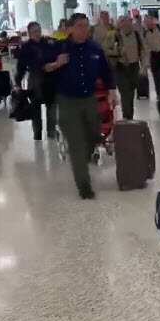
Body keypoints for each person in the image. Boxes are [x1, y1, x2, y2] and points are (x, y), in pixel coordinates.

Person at [44, 13, 117, 199]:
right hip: (68, 102)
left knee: (95, 135)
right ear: (69, 29)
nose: (83, 30)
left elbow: (106, 72)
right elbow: (42, 68)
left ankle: (84, 157)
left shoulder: (95, 48)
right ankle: (84, 187)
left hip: (90, 100)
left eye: (86, 26)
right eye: (79, 26)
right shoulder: (58, 48)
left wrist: (111, 90)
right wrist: (55, 64)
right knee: (76, 143)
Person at [15, 22, 59, 139]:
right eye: (34, 31)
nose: (37, 33)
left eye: (39, 30)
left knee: (51, 108)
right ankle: (37, 134)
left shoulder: (48, 43)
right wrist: (18, 82)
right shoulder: (26, 47)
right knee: (35, 109)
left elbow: (55, 56)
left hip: (50, 79)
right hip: (35, 80)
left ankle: (51, 133)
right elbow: (21, 66)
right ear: (29, 33)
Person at [107, 17, 147, 120]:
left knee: (131, 93)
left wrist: (143, 66)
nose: (126, 26)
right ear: (119, 25)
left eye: (128, 24)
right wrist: (118, 52)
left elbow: (143, 50)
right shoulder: (114, 35)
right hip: (120, 67)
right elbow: (107, 51)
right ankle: (126, 116)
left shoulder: (137, 35)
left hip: (134, 67)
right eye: (123, 24)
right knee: (124, 92)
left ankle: (129, 115)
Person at [143, 15, 160, 92]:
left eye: (149, 22)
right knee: (156, 78)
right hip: (154, 57)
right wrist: (146, 62)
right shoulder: (145, 33)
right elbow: (146, 48)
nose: (148, 24)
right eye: (146, 23)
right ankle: (159, 95)